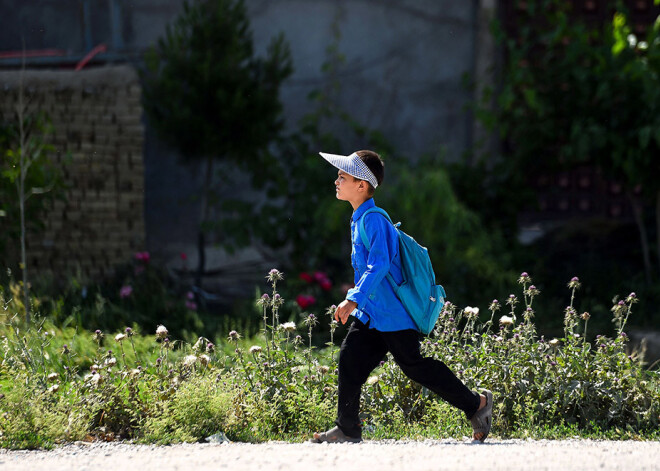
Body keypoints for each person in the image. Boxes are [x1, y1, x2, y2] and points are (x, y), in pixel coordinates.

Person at [311, 150, 493, 444]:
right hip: (373, 314)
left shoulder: (373, 220)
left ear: (361, 185)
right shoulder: (359, 219)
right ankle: (347, 428)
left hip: (393, 315)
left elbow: (379, 264)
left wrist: (353, 298)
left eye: (342, 176)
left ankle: (477, 404)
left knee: (414, 366)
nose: (336, 180)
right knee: (350, 358)